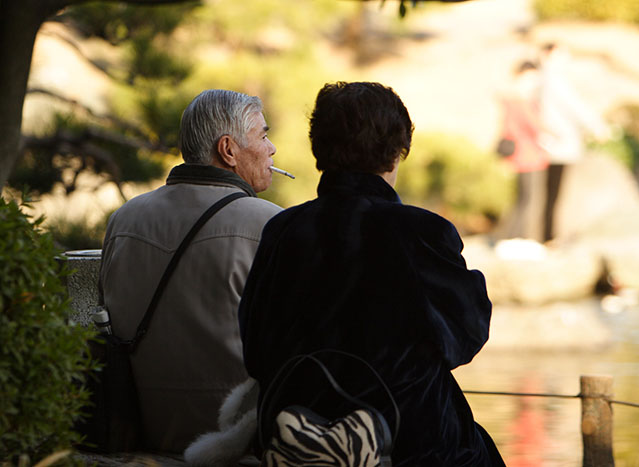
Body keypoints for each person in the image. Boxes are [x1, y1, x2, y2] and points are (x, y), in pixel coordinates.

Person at [238, 81, 505, 466]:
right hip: (406, 441)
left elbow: (256, 350)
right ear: (396, 153)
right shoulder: (421, 231)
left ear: (319, 150)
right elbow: (465, 338)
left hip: (293, 434)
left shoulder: (283, 230)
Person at [98, 89, 282, 453]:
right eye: (263, 135)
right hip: (234, 444)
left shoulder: (124, 218)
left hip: (140, 436)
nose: (272, 148)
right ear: (228, 150)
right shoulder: (269, 224)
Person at [539, 42, 609, 241]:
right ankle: (548, 236)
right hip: (556, 145)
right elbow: (576, 107)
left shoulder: (547, 79)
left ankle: (548, 235)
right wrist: (597, 127)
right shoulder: (553, 79)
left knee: (551, 193)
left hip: (552, 144)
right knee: (553, 193)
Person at [495, 61, 548, 242]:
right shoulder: (518, 101)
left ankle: (514, 238)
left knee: (525, 200)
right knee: (527, 200)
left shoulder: (521, 101)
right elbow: (532, 126)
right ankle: (515, 239)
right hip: (526, 156)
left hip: (529, 155)